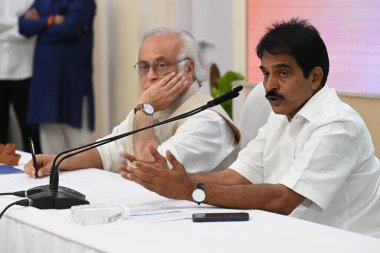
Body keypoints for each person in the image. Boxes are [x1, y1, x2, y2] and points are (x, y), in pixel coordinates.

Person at [118, 18, 380, 238]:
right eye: (266, 73)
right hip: (295, 234)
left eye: (283, 73)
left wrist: (191, 190)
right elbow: (236, 177)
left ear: (314, 77)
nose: (270, 85)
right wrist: (174, 179)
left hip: (349, 242)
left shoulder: (338, 125)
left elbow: (283, 199)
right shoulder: (281, 115)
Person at [24, 27, 240, 176]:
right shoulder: (153, 107)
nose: (151, 76)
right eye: (144, 67)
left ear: (188, 69)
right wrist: (59, 161)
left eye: (161, 65)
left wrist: (145, 109)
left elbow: (152, 174)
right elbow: (108, 150)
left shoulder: (208, 121)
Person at [18, 0, 96, 154]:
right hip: (45, 86)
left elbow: (69, 28)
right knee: (50, 155)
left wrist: (39, 26)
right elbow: (23, 26)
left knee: (80, 153)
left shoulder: (84, 2)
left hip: (73, 85)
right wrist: (51, 20)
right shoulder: (43, 1)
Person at [0, 0, 41, 153]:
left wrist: (9, 28)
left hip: (24, 70)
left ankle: (36, 167)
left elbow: (32, 28)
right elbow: (23, 26)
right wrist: (19, 23)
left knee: (29, 129)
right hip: (1, 71)